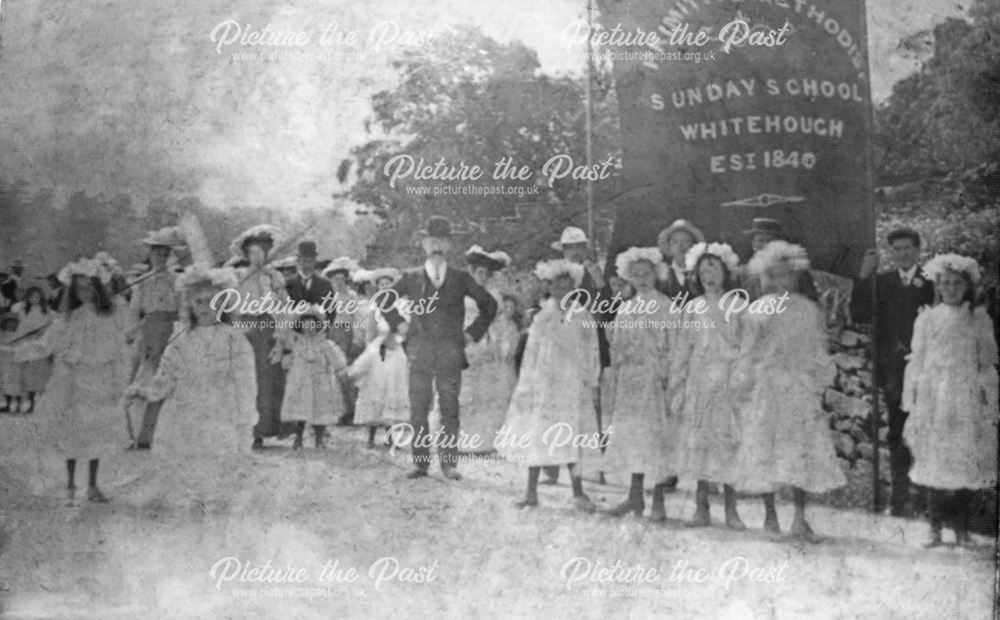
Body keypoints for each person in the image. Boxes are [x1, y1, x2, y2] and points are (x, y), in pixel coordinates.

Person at [728, 241, 846, 542]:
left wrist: (818, 381)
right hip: (767, 387)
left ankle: (799, 517)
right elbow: (748, 352)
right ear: (766, 277)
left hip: (798, 387)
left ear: (796, 276)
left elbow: (817, 348)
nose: (782, 281)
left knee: (800, 449)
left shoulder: (808, 309)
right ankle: (770, 515)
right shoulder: (757, 311)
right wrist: (743, 383)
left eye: (788, 275)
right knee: (764, 446)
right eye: (775, 275)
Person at [124, 264, 259, 508]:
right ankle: (193, 499)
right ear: (189, 306)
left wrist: (245, 412)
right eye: (198, 302)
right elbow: (166, 376)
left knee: (218, 454)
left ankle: (215, 499)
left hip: (221, 406)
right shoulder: (181, 340)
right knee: (187, 455)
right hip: (186, 407)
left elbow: (246, 380)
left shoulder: (234, 338)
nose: (205, 308)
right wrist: (145, 391)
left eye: (211, 302)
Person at [382, 216, 498, 481]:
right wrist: (400, 325)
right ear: (423, 244)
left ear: (449, 245)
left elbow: (489, 305)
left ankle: (449, 463)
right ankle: (421, 463)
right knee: (418, 407)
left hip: (449, 351)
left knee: (449, 406)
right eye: (431, 241)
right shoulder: (411, 277)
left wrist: (470, 334)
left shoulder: (460, 278)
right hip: (419, 351)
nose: (436, 246)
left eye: (442, 241)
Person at [901, 254, 997, 548]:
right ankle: (933, 528)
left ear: (967, 286)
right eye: (945, 283)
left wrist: (988, 397)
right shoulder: (927, 317)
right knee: (934, 457)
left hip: (964, 394)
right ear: (938, 286)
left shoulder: (977, 318)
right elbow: (918, 361)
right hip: (935, 396)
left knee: (964, 458)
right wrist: (914, 398)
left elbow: (986, 362)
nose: (951, 289)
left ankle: (962, 529)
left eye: (958, 284)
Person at [500, 259, 600, 512]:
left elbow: (591, 350)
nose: (563, 292)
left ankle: (578, 491)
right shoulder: (542, 317)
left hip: (571, 383)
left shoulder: (582, 315)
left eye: (568, 287)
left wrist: (591, 379)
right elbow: (531, 353)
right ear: (550, 288)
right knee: (538, 433)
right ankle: (531, 491)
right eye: (558, 287)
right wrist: (526, 385)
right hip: (543, 382)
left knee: (571, 434)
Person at [850, 227, 935, 516]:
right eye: (897, 250)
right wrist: (863, 277)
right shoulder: (882, 282)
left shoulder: (932, 281)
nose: (902, 254)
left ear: (918, 250)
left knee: (925, 431)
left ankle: (926, 499)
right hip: (894, 372)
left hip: (927, 370)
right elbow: (859, 314)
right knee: (897, 432)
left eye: (907, 249)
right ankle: (898, 499)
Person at [37, 256, 133, 504]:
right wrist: (14, 352)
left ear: (97, 288)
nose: (85, 292)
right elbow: (47, 344)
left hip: (99, 381)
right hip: (73, 382)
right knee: (72, 432)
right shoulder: (69, 317)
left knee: (95, 434)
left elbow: (118, 352)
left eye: (89, 287)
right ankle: (70, 485)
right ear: (73, 290)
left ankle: (92, 485)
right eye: (79, 288)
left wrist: (117, 383)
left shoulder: (109, 316)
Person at [668, 242, 746, 530]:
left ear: (725, 272)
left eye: (714, 270)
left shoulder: (738, 305)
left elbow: (745, 347)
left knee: (726, 442)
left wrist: (740, 378)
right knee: (700, 441)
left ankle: (731, 509)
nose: (709, 277)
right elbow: (683, 348)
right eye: (703, 272)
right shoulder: (693, 307)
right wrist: (677, 382)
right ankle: (701, 507)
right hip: (700, 380)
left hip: (727, 380)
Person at [601, 247, 677, 520]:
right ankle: (634, 497)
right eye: (636, 275)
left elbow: (673, 346)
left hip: (654, 379)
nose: (642, 279)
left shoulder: (666, 306)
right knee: (632, 437)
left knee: (654, 438)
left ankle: (657, 500)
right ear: (628, 278)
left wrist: (666, 376)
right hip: (630, 381)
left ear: (656, 275)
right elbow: (618, 347)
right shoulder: (625, 308)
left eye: (647, 274)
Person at [551, 226, 607, 485]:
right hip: (561, 342)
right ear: (564, 250)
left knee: (591, 403)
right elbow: (543, 301)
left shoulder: (593, 273)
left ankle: (594, 466)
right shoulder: (556, 274)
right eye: (570, 248)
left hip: (587, 339)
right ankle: (554, 464)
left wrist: (599, 283)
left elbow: (606, 307)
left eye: (579, 247)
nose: (575, 252)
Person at [229, 224, 289, 449]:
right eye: (253, 252)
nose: (257, 257)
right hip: (244, 328)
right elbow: (231, 305)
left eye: (261, 252)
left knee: (264, 379)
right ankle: (244, 429)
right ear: (246, 255)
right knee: (244, 378)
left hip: (266, 328)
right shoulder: (238, 276)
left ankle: (262, 430)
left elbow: (284, 308)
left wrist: (281, 335)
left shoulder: (274, 277)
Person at [454, 245, 517, 452]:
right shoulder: (462, 294)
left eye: (485, 273)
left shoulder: (494, 297)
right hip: (466, 342)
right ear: (471, 272)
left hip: (488, 346)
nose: (482, 276)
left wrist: (502, 347)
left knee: (487, 393)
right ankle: (457, 440)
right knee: (464, 391)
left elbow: (499, 326)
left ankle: (483, 441)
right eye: (478, 272)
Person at [127, 227, 185, 449]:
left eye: (165, 253)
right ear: (150, 255)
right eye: (156, 253)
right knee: (146, 378)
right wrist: (132, 331)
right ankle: (141, 435)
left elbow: (182, 309)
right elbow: (134, 312)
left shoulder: (178, 280)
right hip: (150, 332)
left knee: (170, 377)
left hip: (171, 330)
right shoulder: (142, 282)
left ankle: (164, 433)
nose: (161, 257)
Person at [350, 268, 410, 448]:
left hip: (396, 349)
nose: (385, 287)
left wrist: (397, 339)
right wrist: (371, 348)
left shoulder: (401, 305)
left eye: (389, 284)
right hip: (378, 350)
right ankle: (371, 435)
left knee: (394, 389)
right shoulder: (374, 307)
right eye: (382, 285)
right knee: (374, 388)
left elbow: (406, 328)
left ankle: (391, 437)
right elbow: (369, 331)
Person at [280, 304, 348, 450]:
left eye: (312, 325)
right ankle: (298, 438)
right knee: (300, 410)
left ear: (318, 326)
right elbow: (286, 363)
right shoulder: (296, 343)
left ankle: (319, 439)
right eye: (306, 325)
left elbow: (337, 359)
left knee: (320, 410)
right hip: (300, 380)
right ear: (301, 327)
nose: (309, 328)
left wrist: (340, 370)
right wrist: (286, 355)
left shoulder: (324, 343)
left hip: (320, 381)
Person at [323, 256, 365, 425]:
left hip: (346, 334)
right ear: (331, 280)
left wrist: (356, 338)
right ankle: (335, 411)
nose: (339, 282)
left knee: (346, 371)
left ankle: (350, 410)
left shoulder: (351, 296)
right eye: (335, 279)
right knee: (331, 372)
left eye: (342, 279)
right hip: (331, 333)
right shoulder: (328, 297)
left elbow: (356, 318)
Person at [11, 285, 55, 412]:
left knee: (40, 369)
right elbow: (20, 328)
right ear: (28, 298)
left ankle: (39, 394)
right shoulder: (23, 311)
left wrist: (44, 333)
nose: (35, 299)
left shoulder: (47, 311)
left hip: (41, 343)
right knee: (25, 370)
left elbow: (53, 324)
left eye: (37, 296)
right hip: (26, 343)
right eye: (32, 297)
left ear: (41, 297)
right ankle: (26, 397)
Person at [655, 219, 704, 300]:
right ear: (669, 247)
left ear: (693, 245)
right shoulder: (663, 273)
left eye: (686, 241)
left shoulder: (701, 271)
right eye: (675, 242)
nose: (680, 245)